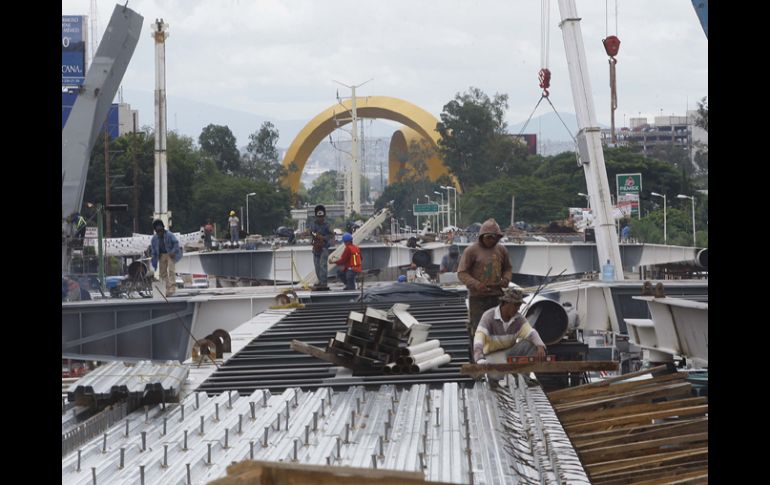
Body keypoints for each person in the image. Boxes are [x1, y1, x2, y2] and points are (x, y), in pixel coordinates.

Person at [458, 218, 513, 359]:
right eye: (488, 237)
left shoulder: (501, 250)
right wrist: (476, 284)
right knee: (478, 330)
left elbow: (508, 268)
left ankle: (496, 358)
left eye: (494, 237)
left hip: (496, 297)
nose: (491, 240)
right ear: (482, 236)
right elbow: (462, 273)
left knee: (498, 329)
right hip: (478, 298)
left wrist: (506, 279)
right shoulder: (471, 251)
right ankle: (478, 359)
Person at [473, 288, 546, 364]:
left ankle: (528, 369)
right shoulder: (489, 316)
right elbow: (479, 338)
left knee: (532, 344)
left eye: (519, 305)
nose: (518, 308)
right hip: (492, 354)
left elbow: (531, 333)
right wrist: (479, 358)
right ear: (506, 303)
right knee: (498, 369)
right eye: (516, 305)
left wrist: (540, 346)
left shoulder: (518, 319)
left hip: (510, 352)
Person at [150, 219, 183, 296]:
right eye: (158, 231)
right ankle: (167, 288)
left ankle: (172, 288)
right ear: (156, 231)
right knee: (163, 273)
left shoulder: (169, 234)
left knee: (171, 270)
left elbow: (176, 243)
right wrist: (154, 258)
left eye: (161, 230)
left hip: (170, 254)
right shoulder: (154, 239)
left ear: (163, 229)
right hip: (161, 255)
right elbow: (153, 249)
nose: (160, 232)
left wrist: (173, 251)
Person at [309, 205, 333, 290]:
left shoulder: (327, 225)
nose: (320, 218)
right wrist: (316, 235)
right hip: (316, 248)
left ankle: (324, 282)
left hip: (324, 248)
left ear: (324, 216)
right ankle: (319, 280)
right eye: (319, 217)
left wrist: (323, 238)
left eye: (321, 217)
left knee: (323, 265)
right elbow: (311, 232)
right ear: (316, 216)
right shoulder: (313, 224)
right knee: (317, 266)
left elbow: (331, 234)